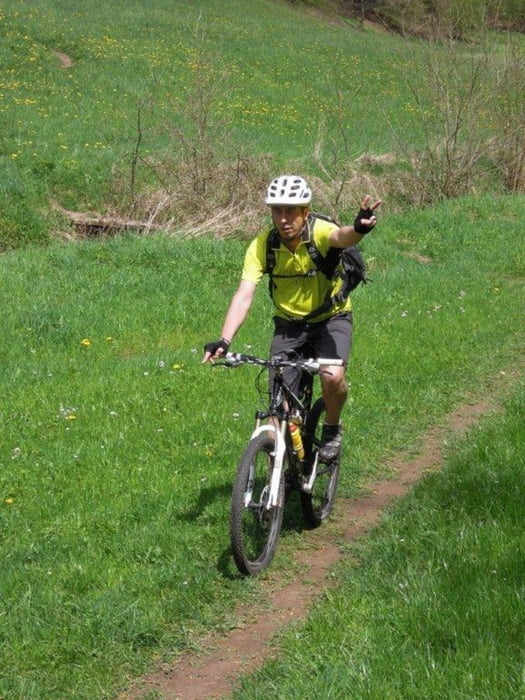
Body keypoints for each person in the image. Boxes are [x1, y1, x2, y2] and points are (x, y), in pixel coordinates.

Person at [202, 175, 381, 460]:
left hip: (330, 319)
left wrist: (359, 228)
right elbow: (244, 295)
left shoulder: (320, 232)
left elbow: (341, 237)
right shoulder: (262, 245)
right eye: (277, 211)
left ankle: (332, 428)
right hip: (288, 325)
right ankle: (280, 479)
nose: (283, 218)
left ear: (305, 212)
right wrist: (224, 339)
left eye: (291, 211)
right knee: (278, 409)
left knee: (333, 377)